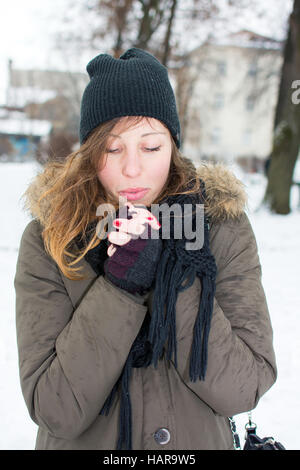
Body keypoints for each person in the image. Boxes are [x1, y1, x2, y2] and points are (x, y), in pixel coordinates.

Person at [14, 48, 277, 451]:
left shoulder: (221, 227)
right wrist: (119, 289)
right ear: (89, 152)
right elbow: (55, 407)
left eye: (150, 147)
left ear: (172, 146)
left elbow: (243, 388)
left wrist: (178, 274)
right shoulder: (51, 239)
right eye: (112, 149)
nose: (132, 169)